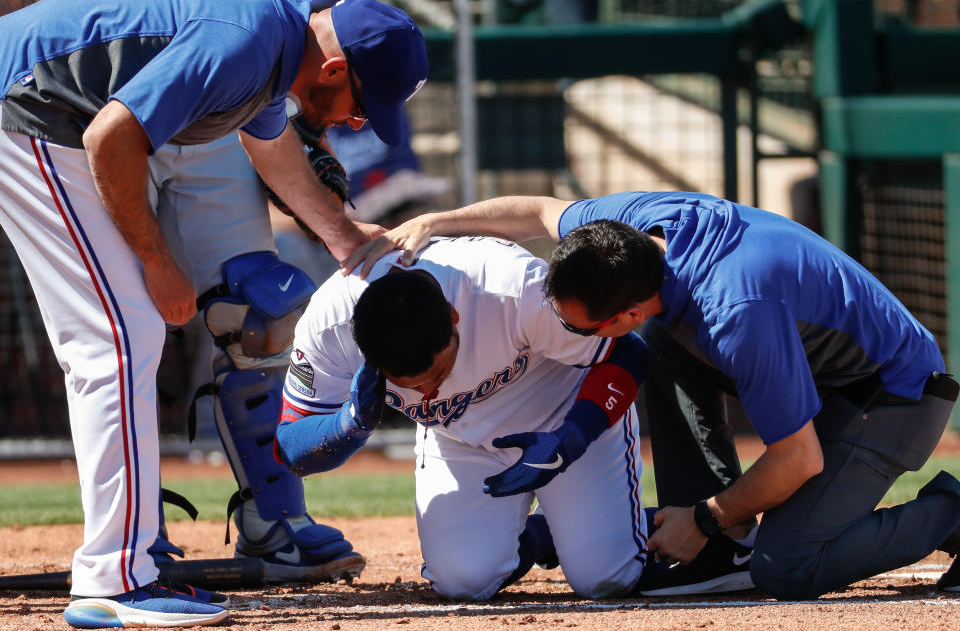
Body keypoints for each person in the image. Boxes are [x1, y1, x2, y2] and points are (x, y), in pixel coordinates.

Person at [0, 0, 427, 627]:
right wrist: (158, 262)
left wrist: (346, 239)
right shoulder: (247, 40)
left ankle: (131, 560)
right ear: (334, 71)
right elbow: (110, 137)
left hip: (45, 113)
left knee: (125, 335)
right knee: (116, 338)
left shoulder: (272, 46)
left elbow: (272, 141)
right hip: (31, 114)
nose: (358, 124)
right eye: (361, 107)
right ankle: (114, 581)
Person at [343, 190, 960, 599]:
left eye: (585, 329)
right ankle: (717, 549)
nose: (571, 337)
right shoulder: (628, 232)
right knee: (656, 346)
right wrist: (434, 222)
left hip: (891, 396)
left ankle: (951, 512)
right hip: (821, 375)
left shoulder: (735, 312)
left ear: (627, 308)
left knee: (786, 568)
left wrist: (706, 516)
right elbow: (537, 211)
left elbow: (799, 459)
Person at [274, 235, 654, 601]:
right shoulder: (329, 327)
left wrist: (571, 438)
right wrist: (349, 423)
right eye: (410, 385)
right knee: (464, 582)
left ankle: (626, 526)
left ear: (454, 317)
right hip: (460, 435)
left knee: (606, 578)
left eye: (437, 375)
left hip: (563, 409)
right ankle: (545, 534)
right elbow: (292, 450)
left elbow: (627, 352)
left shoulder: (510, 287)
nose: (428, 394)